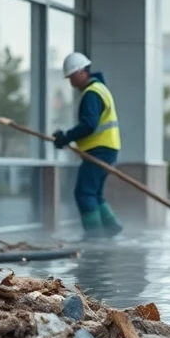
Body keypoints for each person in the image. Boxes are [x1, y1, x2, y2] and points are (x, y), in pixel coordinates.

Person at [53, 52, 123, 239]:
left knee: (84, 192)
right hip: (108, 149)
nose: (71, 82)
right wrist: (66, 138)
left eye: (72, 77)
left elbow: (89, 125)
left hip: (99, 150)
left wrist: (65, 137)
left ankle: (94, 238)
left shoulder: (92, 93)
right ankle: (111, 228)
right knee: (95, 193)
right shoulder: (100, 89)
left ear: (82, 72)